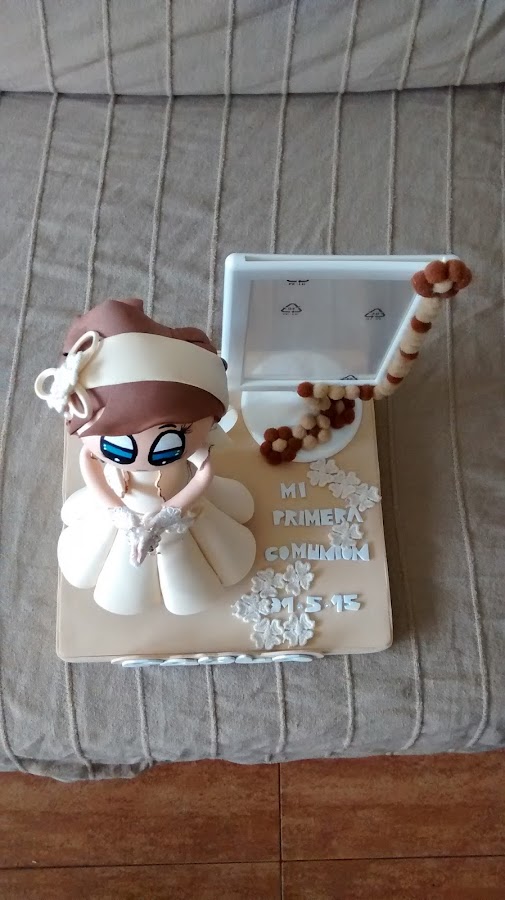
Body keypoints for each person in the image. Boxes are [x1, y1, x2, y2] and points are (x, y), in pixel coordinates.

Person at [35, 298, 255, 616]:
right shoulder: (94, 454)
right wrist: (117, 511)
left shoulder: (198, 452)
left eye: (169, 442)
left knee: (198, 567)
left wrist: (170, 513)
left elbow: (204, 472)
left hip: (184, 506)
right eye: (118, 446)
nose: (142, 456)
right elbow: (89, 461)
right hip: (122, 504)